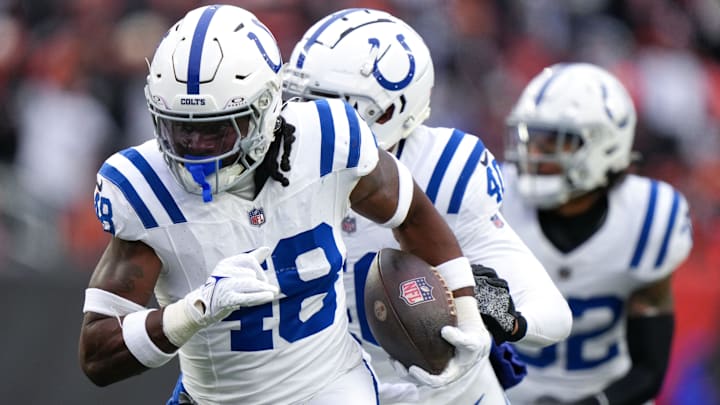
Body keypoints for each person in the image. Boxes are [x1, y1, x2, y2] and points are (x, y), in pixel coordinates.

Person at [77, 5, 492, 405]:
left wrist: (467, 309)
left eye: (217, 131)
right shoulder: (145, 187)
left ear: (266, 108)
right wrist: (193, 311)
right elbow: (96, 355)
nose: (195, 149)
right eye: (180, 131)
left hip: (331, 387)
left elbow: (413, 214)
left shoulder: (328, 140)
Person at [283, 9, 572, 404]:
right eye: (294, 99)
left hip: (437, 391)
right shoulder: (274, 165)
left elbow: (552, 313)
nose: (298, 119)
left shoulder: (441, 171)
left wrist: (507, 319)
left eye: (320, 105)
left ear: (386, 112)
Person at [500, 63, 694, 404]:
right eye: (529, 137)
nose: (532, 154)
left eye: (552, 143)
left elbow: (649, 371)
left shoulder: (648, 219)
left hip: (605, 394)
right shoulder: (493, 198)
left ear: (604, 146)